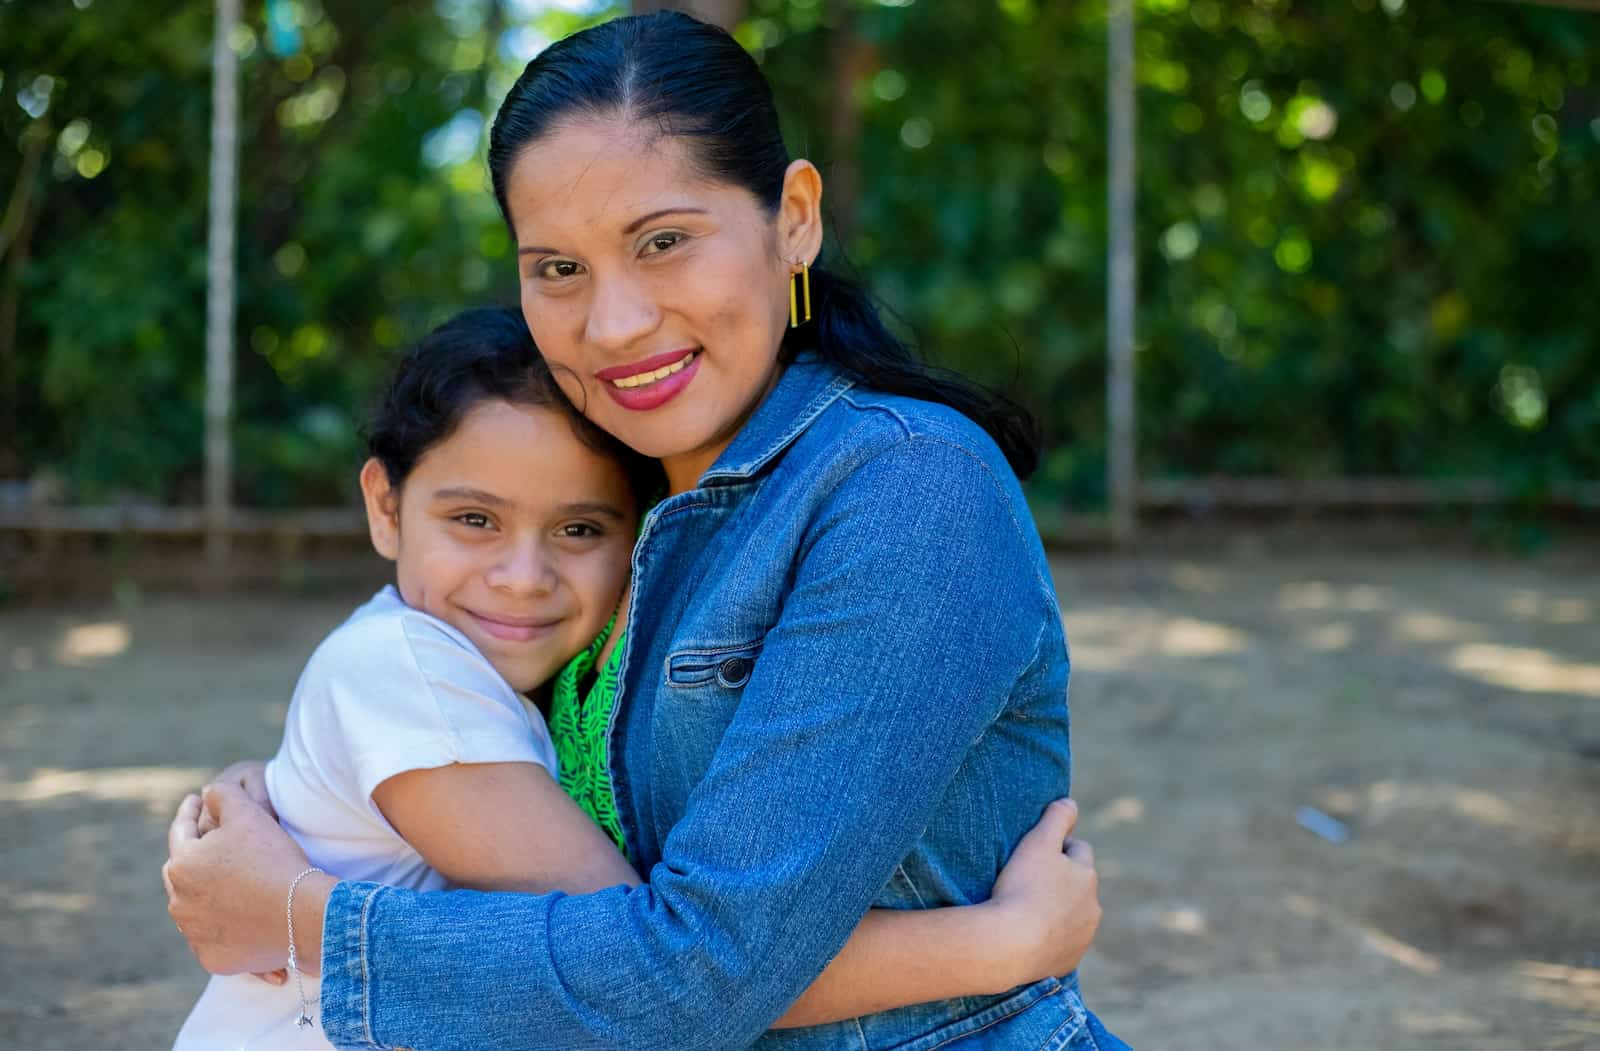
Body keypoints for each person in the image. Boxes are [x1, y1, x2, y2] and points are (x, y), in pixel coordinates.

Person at [165, 11, 1128, 1049]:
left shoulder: (906, 486)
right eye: (557, 268)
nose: (612, 323)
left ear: (793, 218)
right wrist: (290, 801)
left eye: (663, 241)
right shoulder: (616, 531)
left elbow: (698, 974)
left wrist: (301, 920)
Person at [170, 307, 1098, 1049]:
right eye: (473, 520)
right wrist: (996, 944)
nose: (523, 575)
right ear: (385, 504)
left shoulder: (521, 675)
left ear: (644, 539)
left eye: (579, 530)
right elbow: (653, 977)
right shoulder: (404, 669)